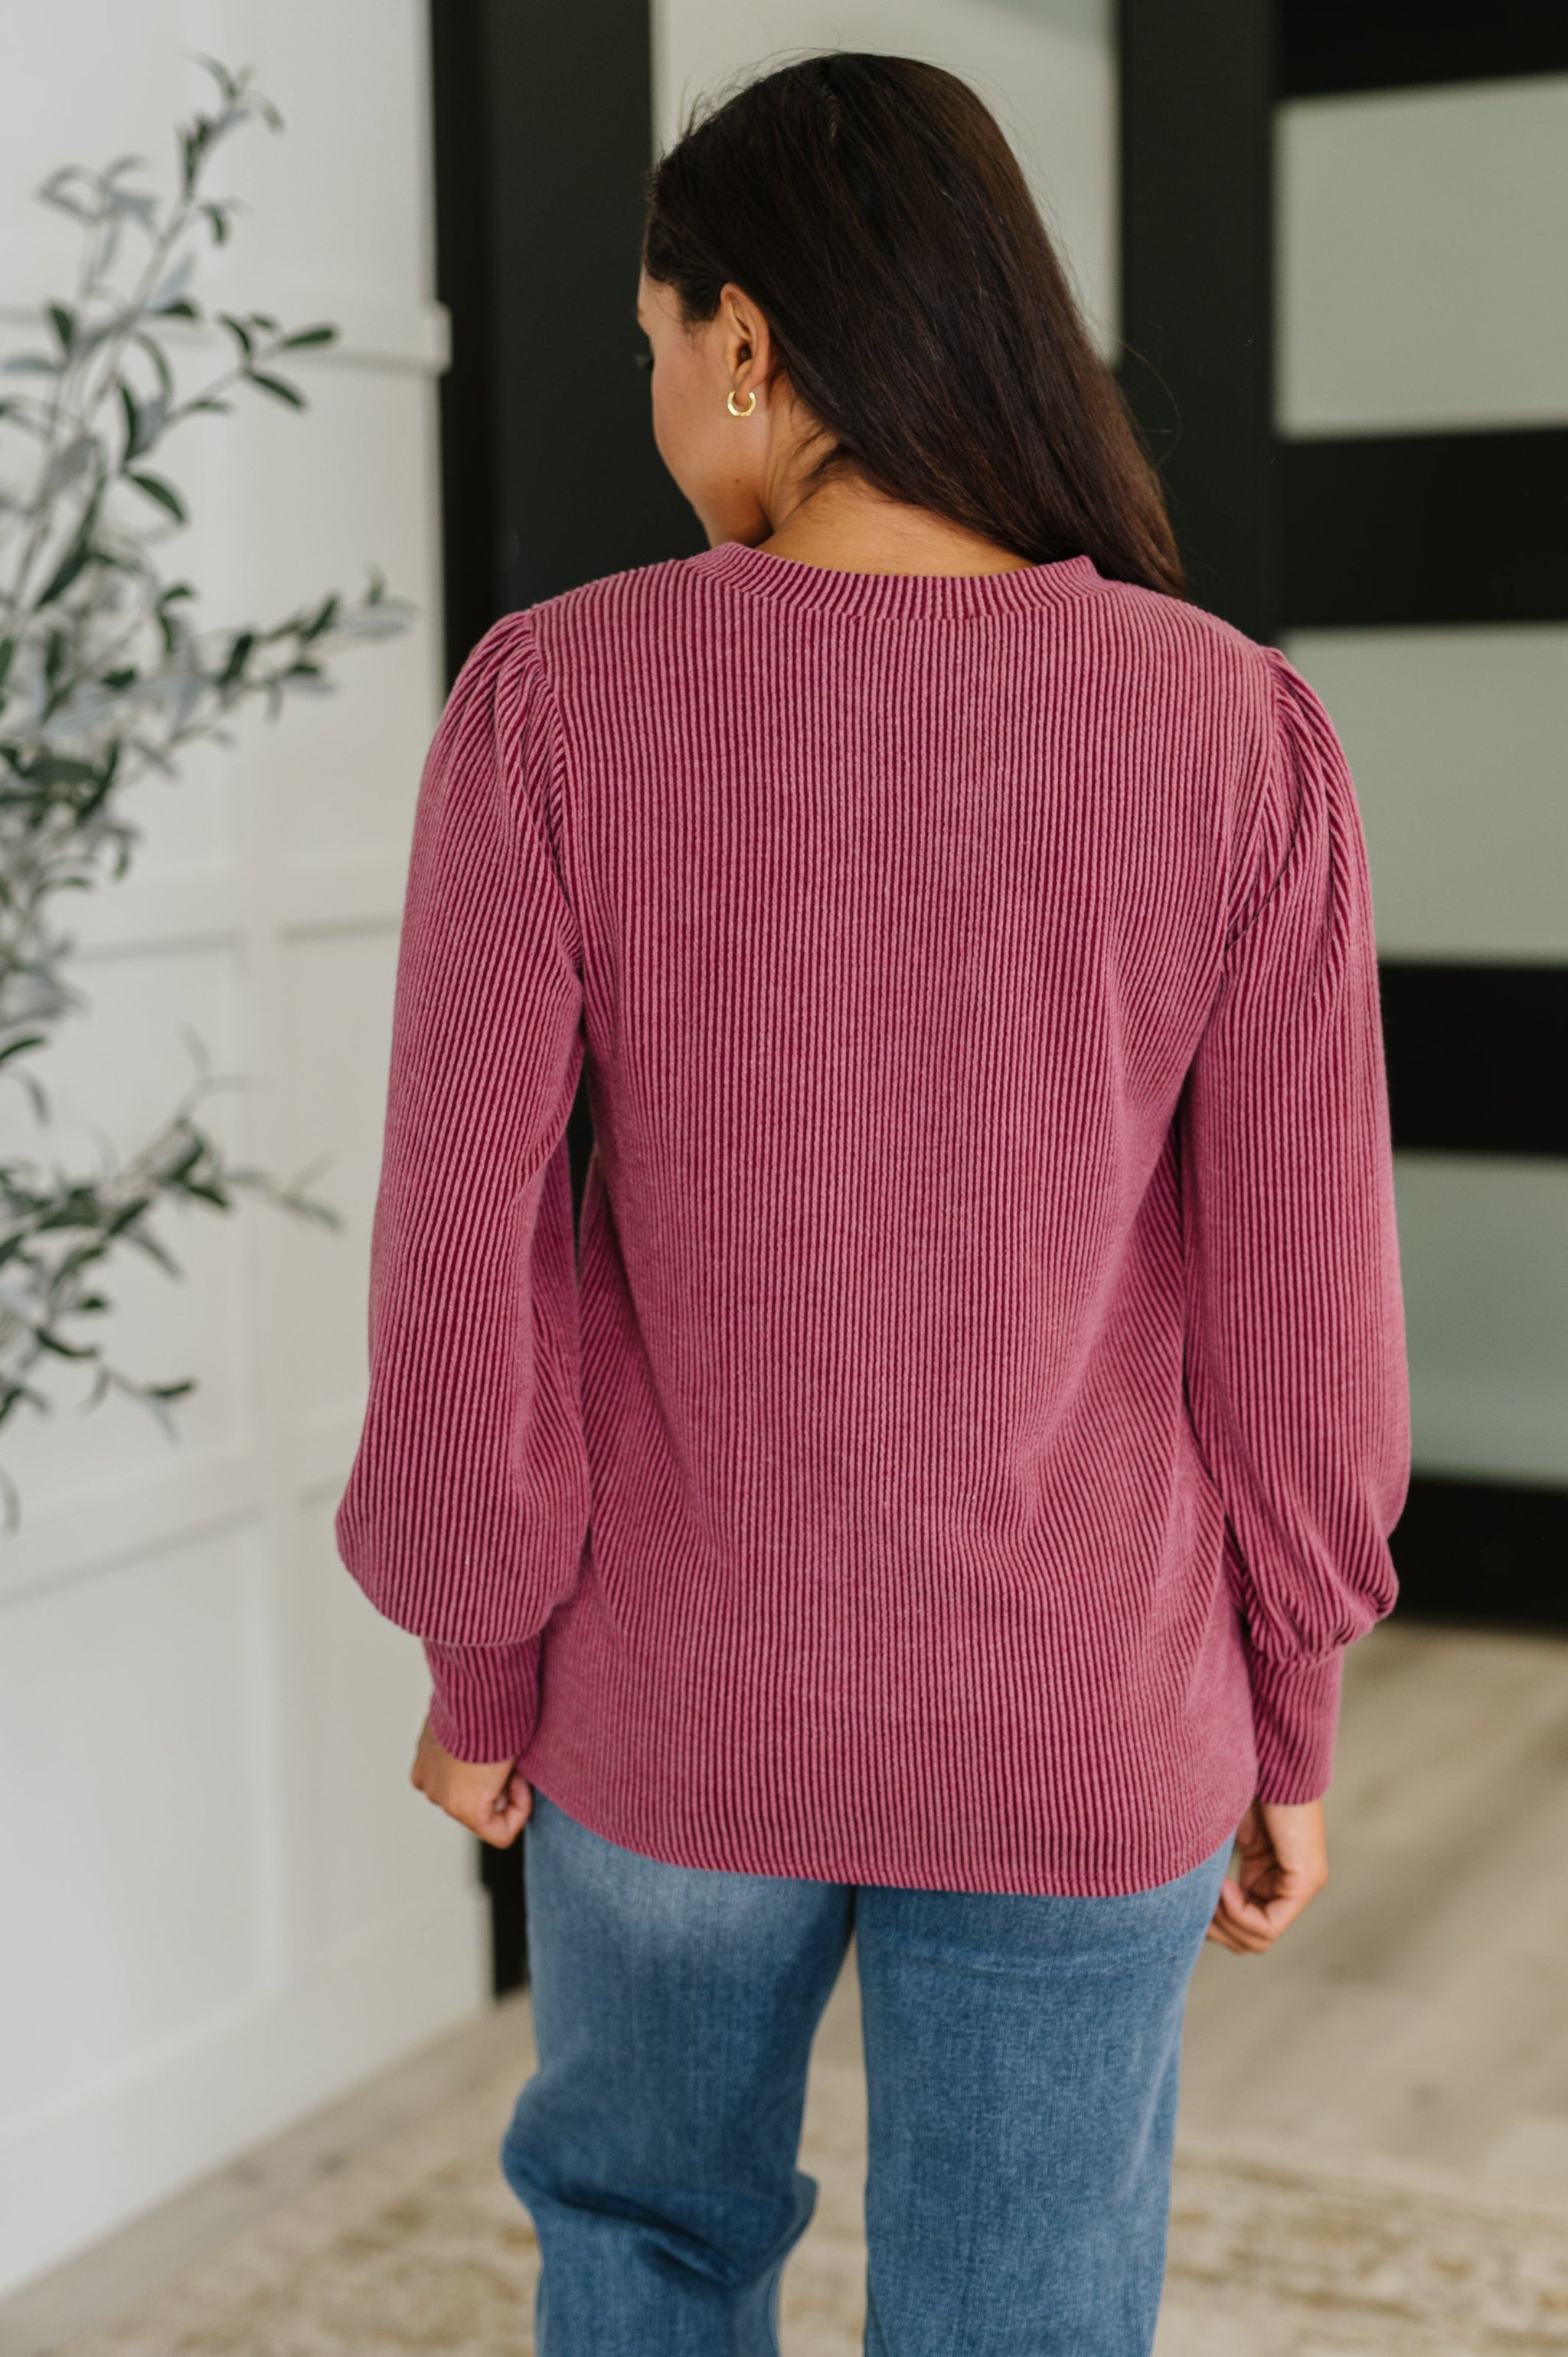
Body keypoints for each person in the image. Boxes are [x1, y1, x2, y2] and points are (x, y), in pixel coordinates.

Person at [335, 51, 1409, 2357]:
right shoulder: (1236, 729)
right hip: (1088, 1708)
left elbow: (463, 1246)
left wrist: (479, 1653)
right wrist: (1292, 1699)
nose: (655, 400)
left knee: (645, 2237)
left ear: (744, 337)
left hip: (674, 1705)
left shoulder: (556, 703)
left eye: (651, 345)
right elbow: (1306, 1304)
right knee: (1026, 2315)